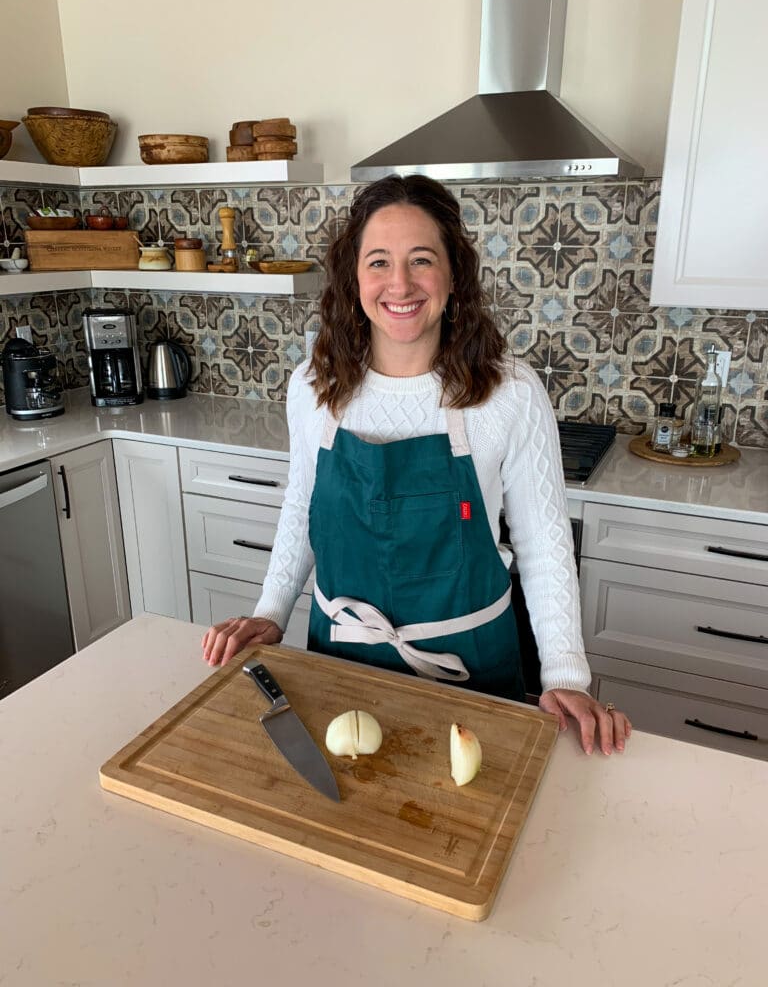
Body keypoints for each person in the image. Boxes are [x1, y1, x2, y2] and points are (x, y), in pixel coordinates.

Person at [202, 174, 631, 756]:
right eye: (378, 261)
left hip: (471, 670)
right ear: (353, 278)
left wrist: (565, 674)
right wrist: (271, 611)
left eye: (421, 260)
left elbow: (544, 544)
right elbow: (303, 508)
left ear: (454, 276)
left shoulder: (509, 392)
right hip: (341, 660)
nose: (399, 283)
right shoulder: (312, 387)